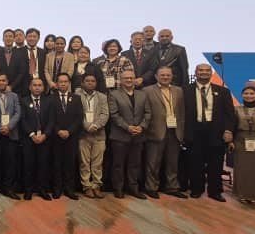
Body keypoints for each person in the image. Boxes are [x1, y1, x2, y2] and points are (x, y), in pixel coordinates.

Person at [182, 63, 236, 201]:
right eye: (201, 70)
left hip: (216, 132)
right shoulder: (185, 90)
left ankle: (215, 191)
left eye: (207, 70)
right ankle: (196, 189)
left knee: (216, 163)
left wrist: (229, 130)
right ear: (196, 72)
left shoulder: (223, 91)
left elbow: (230, 114)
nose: (204, 72)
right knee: (195, 162)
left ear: (211, 73)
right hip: (194, 131)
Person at [142, 66, 187, 199]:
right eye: (162, 75)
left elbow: (182, 112)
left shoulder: (179, 91)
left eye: (168, 75)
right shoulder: (147, 91)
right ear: (156, 76)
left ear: (172, 76)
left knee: (173, 162)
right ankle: (151, 187)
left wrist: (182, 130)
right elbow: (145, 111)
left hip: (175, 131)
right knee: (153, 163)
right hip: (155, 131)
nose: (165, 77)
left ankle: (172, 187)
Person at [108, 69, 151, 199]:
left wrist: (141, 127)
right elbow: (114, 115)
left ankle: (133, 188)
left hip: (138, 135)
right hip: (120, 136)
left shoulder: (142, 94)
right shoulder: (113, 94)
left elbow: (148, 113)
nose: (129, 80)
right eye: (126, 78)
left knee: (135, 164)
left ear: (135, 79)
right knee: (118, 164)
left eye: (131, 78)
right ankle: (118, 188)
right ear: (121, 80)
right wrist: (128, 127)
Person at [20, 78, 56, 200]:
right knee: (28, 165)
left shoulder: (49, 101)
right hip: (29, 139)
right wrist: (32, 134)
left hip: (44, 139)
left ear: (43, 88)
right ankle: (28, 190)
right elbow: (22, 120)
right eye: (34, 85)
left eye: (40, 85)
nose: (37, 87)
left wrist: (45, 135)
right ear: (30, 87)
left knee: (43, 165)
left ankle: (42, 190)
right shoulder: (23, 101)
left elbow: (52, 120)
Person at [76, 73, 108, 198]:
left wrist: (96, 125)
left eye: (93, 81)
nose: (90, 83)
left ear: (96, 83)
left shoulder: (102, 97)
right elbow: (77, 113)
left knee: (97, 163)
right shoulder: (77, 95)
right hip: (83, 134)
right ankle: (86, 186)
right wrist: (86, 126)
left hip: (99, 134)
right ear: (82, 83)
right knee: (84, 162)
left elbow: (105, 114)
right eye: (87, 81)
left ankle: (96, 186)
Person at [51, 73, 82, 200]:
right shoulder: (50, 98)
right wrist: (58, 131)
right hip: (56, 137)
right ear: (56, 84)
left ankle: (69, 189)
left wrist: (69, 131)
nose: (63, 84)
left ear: (69, 83)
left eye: (65, 82)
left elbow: (79, 118)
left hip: (71, 137)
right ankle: (57, 189)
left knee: (70, 164)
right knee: (56, 164)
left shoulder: (76, 98)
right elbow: (49, 118)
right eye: (60, 82)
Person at [0, 29, 28, 95]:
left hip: (17, 90)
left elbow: (22, 73)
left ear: (14, 39)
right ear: (3, 39)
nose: (8, 38)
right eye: (6, 36)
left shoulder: (22, 54)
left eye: (10, 36)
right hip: (0, 89)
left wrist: (11, 86)